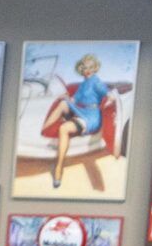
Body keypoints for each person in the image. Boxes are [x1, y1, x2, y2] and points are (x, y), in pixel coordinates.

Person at [46, 52, 111, 190]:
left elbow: (108, 93)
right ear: (81, 69)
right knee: (63, 103)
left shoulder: (96, 81)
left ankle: (59, 167)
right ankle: (44, 130)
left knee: (64, 128)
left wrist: (109, 99)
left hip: (92, 116)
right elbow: (74, 100)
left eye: (91, 67)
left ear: (95, 68)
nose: (88, 70)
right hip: (82, 111)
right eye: (85, 67)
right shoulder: (83, 84)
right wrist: (65, 97)